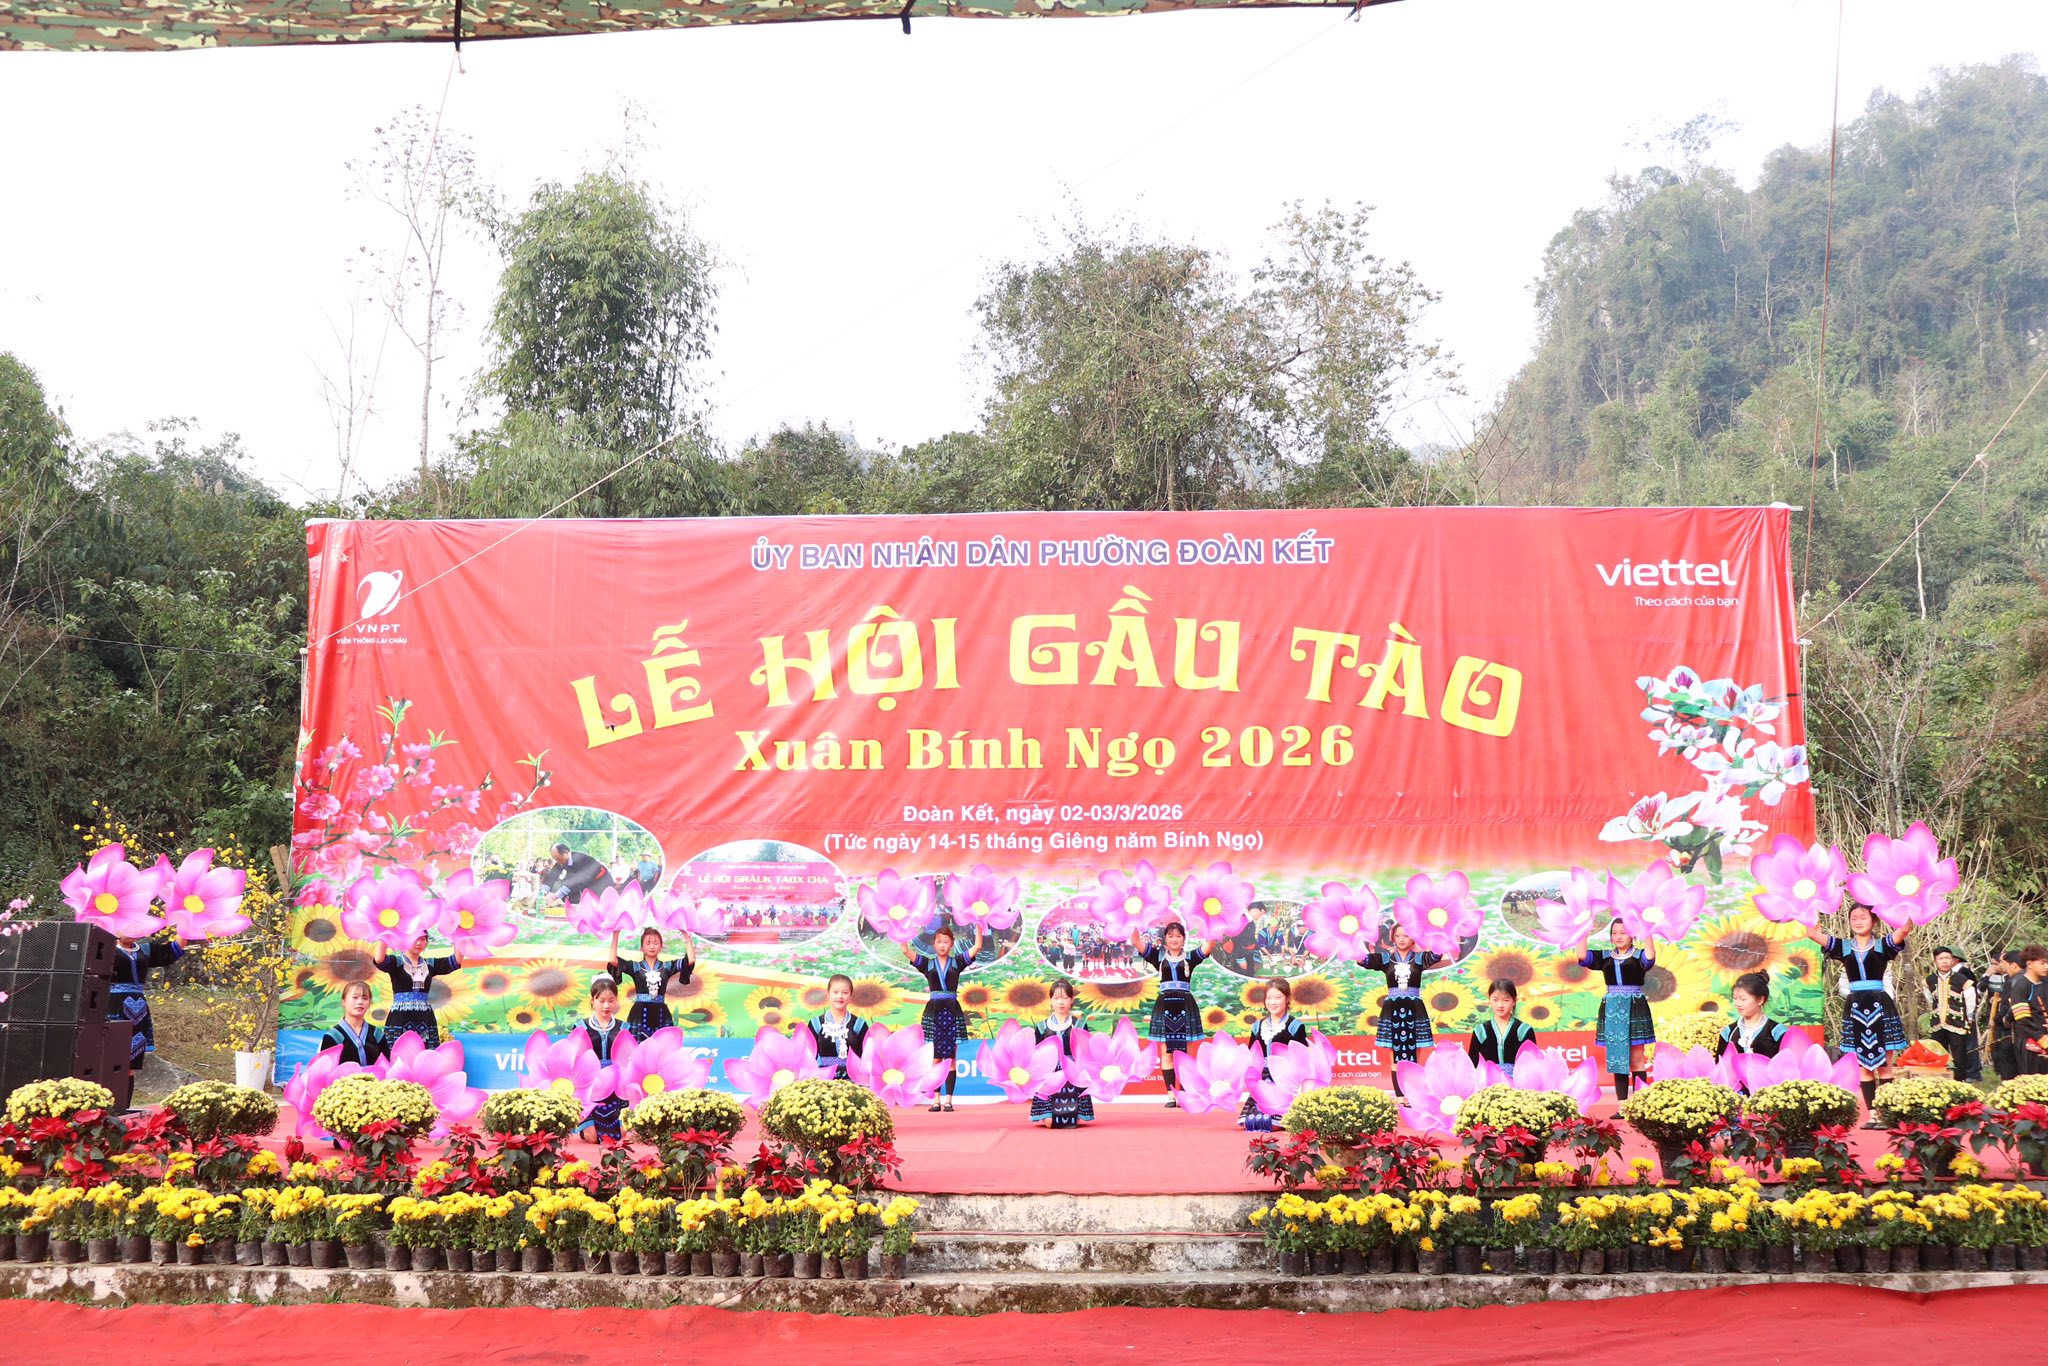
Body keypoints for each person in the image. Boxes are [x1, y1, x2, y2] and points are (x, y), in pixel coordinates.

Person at [1805, 903, 1912, 1118]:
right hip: (1856, 1008)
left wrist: (1905, 902)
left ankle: (1886, 1112)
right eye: (1854, 918)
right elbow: (1812, 934)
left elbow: (1905, 929)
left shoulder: (1882, 945)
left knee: (1885, 1065)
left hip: (1880, 1006)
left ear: (1874, 920)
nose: (1858, 921)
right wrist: (1810, 912)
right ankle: (1873, 1114)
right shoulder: (1843, 947)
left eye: (1863, 917)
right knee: (1863, 1066)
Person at [1132, 920, 1215, 1106]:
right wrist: (1133, 919)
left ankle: (1185, 1093)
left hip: (1185, 1004)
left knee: (1186, 1054)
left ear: (1184, 939)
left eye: (1178, 936)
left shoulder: (1191, 957)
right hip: (1165, 1006)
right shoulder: (1158, 956)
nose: (1174, 939)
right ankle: (1171, 1095)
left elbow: (1209, 945)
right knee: (1166, 1053)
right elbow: (1136, 941)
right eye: (1170, 936)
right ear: (1165, 939)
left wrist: (1212, 924)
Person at [907, 923, 985, 1112]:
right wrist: (901, 930)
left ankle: (949, 1100)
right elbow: (905, 951)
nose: (942, 945)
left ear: (952, 944)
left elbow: (977, 946)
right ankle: (935, 1100)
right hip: (934, 1012)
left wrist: (979, 922)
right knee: (935, 1058)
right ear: (933, 944)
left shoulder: (957, 962)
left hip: (951, 1011)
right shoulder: (927, 964)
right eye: (939, 941)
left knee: (951, 1058)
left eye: (946, 942)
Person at [1579, 917, 1657, 1100]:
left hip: (1635, 1007)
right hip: (1612, 1010)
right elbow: (1582, 956)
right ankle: (1622, 1106)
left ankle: (1639, 1104)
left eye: (1623, 932)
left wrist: (1647, 929)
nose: (1618, 936)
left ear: (1633, 935)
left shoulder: (1639, 956)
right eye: (1614, 933)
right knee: (1617, 1059)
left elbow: (1650, 956)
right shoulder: (1605, 956)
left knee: (1637, 1059)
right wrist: (1583, 929)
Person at [1359, 926, 1444, 1094]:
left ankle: (1413, 1095)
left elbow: (1436, 955)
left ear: (1413, 938)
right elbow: (1364, 961)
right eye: (1397, 935)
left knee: (1415, 1058)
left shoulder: (1420, 958)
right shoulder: (1385, 959)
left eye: (1406, 935)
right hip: (1393, 1009)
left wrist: (1438, 931)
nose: (1401, 939)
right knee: (1394, 1057)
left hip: (1414, 1009)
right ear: (1393, 938)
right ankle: (1399, 1095)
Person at [108, 930, 186, 1074]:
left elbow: (173, 949)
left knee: (133, 1057)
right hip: (112, 1005)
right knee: (111, 1052)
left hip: (138, 1009)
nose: (131, 930)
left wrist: (187, 923)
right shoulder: (105, 949)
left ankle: (128, 1085)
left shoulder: (145, 949)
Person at [373, 932, 461, 1049]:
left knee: (426, 1054)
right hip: (400, 1018)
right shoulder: (397, 962)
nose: (419, 943)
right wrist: (385, 932)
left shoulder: (430, 964)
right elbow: (379, 959)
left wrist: (460, 935)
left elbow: (456, 961)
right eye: (414, 939)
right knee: (397, 1053)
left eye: (423, 939)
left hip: (425, 1018)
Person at [1240, 978, 1309, 1128]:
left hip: (1285, 1083)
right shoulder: (1257, 1026)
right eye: (1269, 998)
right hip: (1262, 1083)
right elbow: (1252, 1056)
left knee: (1271, 1124)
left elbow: (1302, 1058)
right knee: (1252, 1124)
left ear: (1287, 998)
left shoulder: (1295, 1026)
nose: (1272, 1002)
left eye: (1277, 998)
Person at [608, 925, 697, 1040]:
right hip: (639, 1014)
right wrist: (616, 934)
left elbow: (690, 960)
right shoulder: (635, 966)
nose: (652, 946)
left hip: (661, 1014)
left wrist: (687, 937)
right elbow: (612, 960)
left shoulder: (667, 966)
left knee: (662, 1046)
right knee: (637, 1046)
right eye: (648, 943)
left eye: (655, 943)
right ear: (642, 947)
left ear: (661, 946)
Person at [1030, 979, 1095, 1129]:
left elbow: (1086, 1052)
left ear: (1072, 1000)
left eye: (1065, 998)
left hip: (1073, 1076)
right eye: (1056, 998)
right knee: (1049, 1122)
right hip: (1049, 1076)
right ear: (1050, 1000)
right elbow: (1035, 1055)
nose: (1060, 1002)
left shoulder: (1079, 1025)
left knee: (1072, 1121)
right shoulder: (1041, 1027)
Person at [1713, 971, 1790, 1089]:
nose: (1738, 1003)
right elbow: (1721, 1068)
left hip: (1770, 1092)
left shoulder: (1777, 1031)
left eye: (1743, 999)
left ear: (1760, 1000)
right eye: (1735, 998)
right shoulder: (1728, 1032)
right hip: (1735, 1093)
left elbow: (1786, 1068)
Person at [579, 976, 630, 1141]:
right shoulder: (580, 1027)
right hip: (590, 1087)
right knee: (592, 1138)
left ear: (616, 1001)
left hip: (617, 1088)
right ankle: (586, 1126)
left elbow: (630, 1059)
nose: (606, 1005)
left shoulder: (624, 1027)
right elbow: (576, 1059)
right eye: (601, 1001)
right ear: (592, 1001)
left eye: (611, 1000)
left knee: (621, 1135)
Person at [1925, 946, 1982, 1083]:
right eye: (1941, 959)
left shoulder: (1962, 979)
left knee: (1959, 1054)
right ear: (1935, 961)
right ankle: (1939, 1080)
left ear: (1952, 960)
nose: (1944, 961)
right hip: (1937, 1023)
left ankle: (1959, 1081)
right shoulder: (1930, 980)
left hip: (1957, 1023)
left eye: (1947, 958)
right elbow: (1929, 997)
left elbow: (1970, 998)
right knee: (1937, 1051)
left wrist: (1968, 1016)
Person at [1467, 980, 1539, 1078]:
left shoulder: (1524, 1030)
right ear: (1489, 1000)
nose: (1500, 1005)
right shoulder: (1480, 1031)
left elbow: (1532, 1064)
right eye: (1495, 1000)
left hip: (1518, 1083)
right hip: (1487, 1083)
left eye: (1506, 1000)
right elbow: (1472, 1065)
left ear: (1514, 1001)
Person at [318, 979, 390, 1068]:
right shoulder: (333, 1036)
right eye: (355, 997)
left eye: (365, 998)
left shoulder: (377, 1034)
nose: (360, 1002)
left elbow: (387, 1065)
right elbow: (325, 1070)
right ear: (343, 1001)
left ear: (369, 1003)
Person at [811, 973, 870, 1079]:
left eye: (845, 992)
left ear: (850, 996)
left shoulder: (859, 1024)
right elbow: (810, 1056)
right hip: (822, 1080)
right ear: (828, 994)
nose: (840, 996)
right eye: (835, 992)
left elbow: (866, 1056)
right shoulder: (816, 1023)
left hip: (853, 1080)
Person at [2007, 946, 2048, 1076]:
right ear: (2029, 964)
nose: (2046, 967)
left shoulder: (2045, 982)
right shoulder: (2021, 985)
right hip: (2031, 1040)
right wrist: (2041, 1038)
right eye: (2042, 963)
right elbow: (2022, 1019)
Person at [1985, 949, 2022, 1082]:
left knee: (2007, 1058)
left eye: (2003, 963)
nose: (2001, 966)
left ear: (2013, 965)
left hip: (2014, 1028)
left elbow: (2010, 1005)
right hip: (2014, 1027)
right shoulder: (2014, 980)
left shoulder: (2016, 981)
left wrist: (2001, 1019)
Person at [540, 842, 610, 906]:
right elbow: (552, 876)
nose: (557, 862)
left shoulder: (581, 859)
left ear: (566, 853)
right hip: (585, 885)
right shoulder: (561, 861)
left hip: (601, 883)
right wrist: (542, 892)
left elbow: (576, 881)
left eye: (558, 858)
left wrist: (556, 896)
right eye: (555, 859)